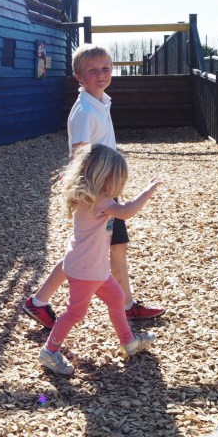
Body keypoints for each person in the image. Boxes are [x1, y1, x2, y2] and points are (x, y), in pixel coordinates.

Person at [23, 43, 166, 329]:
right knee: (98, 251)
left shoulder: (100, 101)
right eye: (92, 71)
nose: (101, 75)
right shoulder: (85, 110)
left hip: (105, 187)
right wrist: (92, 194)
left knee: (97, 251)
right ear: (79, 76)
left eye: (105, 69)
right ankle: (125, 307)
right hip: (96, 193)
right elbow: (79, 153)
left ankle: (39, 302)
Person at [38, 144, 163, 376]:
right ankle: (49, 351)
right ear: (103, 176)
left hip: (94, 268)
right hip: (87, 271)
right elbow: (126, 212)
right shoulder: (100, 201)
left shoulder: (90, 197)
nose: (120, 184)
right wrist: (146, 193)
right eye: (118, 178)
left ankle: (128, 341)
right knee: (75, 313)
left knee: (116, 298)